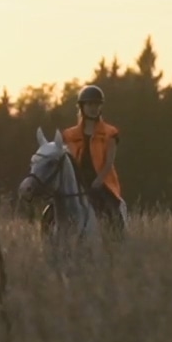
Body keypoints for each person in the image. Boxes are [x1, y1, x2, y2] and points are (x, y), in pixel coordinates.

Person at [61, 83, 126, 237]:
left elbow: (109, 162)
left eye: (96, 104)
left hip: (101, 181)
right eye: (90, 104)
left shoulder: (110, 133)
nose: (93, 108)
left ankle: (115, 236)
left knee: (111, 209)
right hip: (77, 180)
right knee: (55, 207)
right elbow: (68, 159)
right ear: (82, 106)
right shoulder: (70, 134)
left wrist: (99, 180)